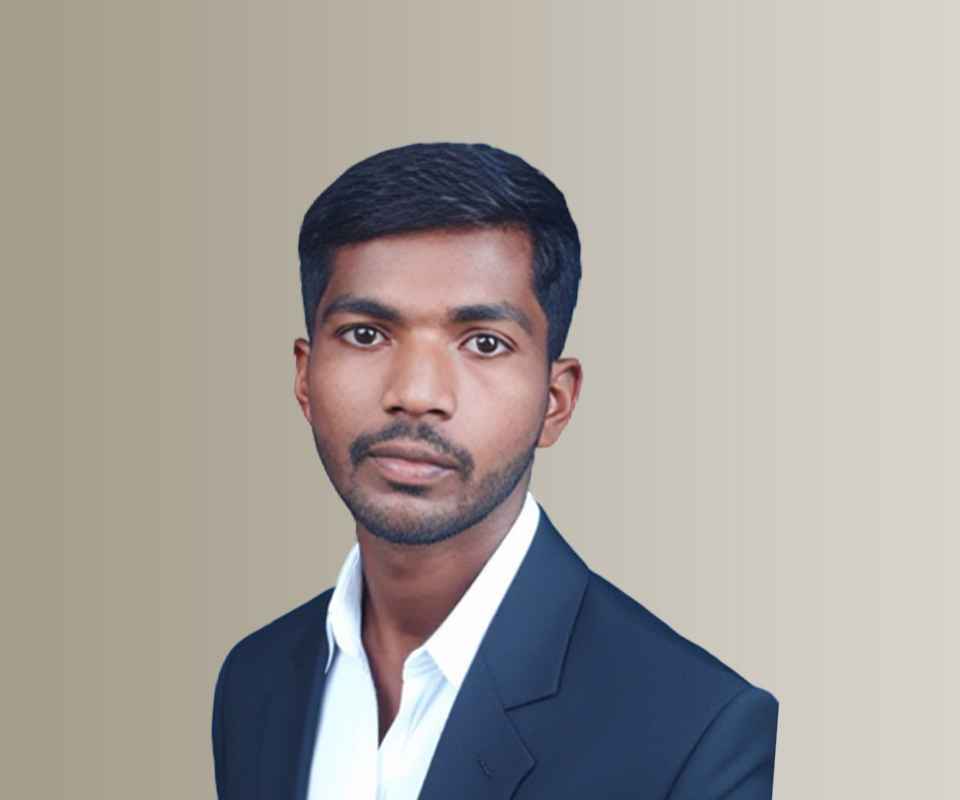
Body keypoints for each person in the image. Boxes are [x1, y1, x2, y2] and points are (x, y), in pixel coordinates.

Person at [211, 142, 779, 799]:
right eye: (366, 334)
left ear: (555, 401)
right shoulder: (255, 681)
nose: (417, 393)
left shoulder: (695, 729)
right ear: (304, 378)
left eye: (484, 343)